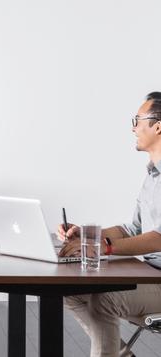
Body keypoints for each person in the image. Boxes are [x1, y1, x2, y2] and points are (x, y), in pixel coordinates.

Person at [57, 92, 161, 357]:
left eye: (138, 120)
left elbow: (159, 238)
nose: (133, 127)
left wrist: (105, 248)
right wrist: (88, 236)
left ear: (158, 126)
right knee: (72, 293)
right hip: (148, 273)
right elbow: (132, 229)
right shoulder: (152, 175)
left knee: (104, 298)